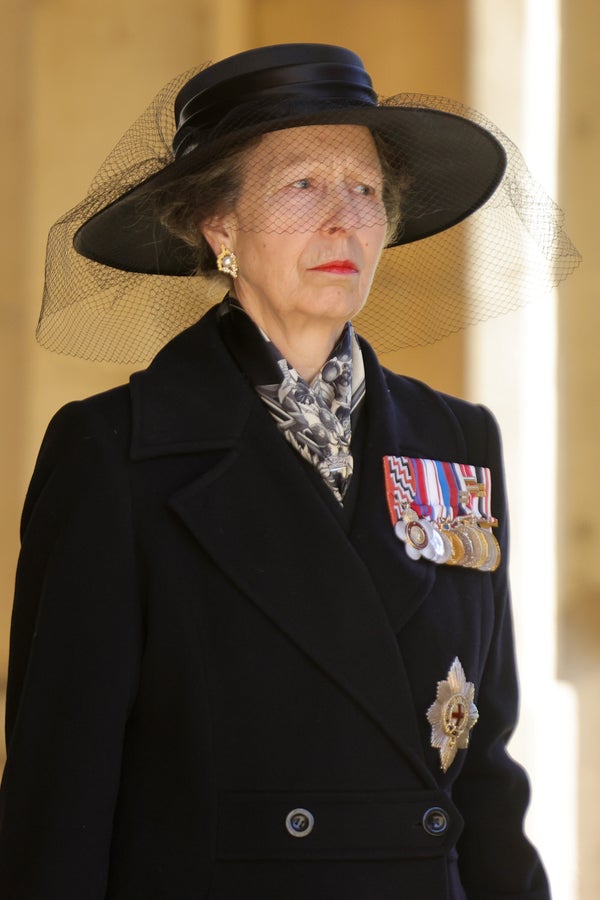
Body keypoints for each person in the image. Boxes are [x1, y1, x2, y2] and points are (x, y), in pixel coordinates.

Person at [0, 43, 580, 900]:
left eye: (366, 190)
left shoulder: (458, 443)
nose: (344, 220)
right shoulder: (112, 454)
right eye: (302, 185)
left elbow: (483, 773)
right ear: (219, 225)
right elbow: (61, 799)